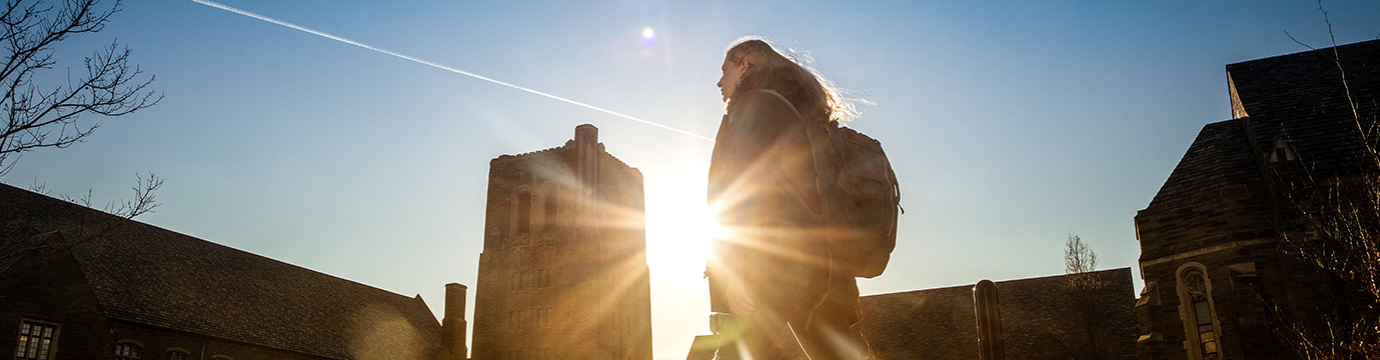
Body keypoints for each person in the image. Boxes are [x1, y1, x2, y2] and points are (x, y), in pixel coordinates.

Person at [706, 37, 870, 360]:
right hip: (822, 269)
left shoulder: (755, 106)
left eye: (724, 70)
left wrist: (735, 272)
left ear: (745, 64)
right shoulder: (801, 114)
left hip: (771, 272)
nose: (718, 81)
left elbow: (750, 192)